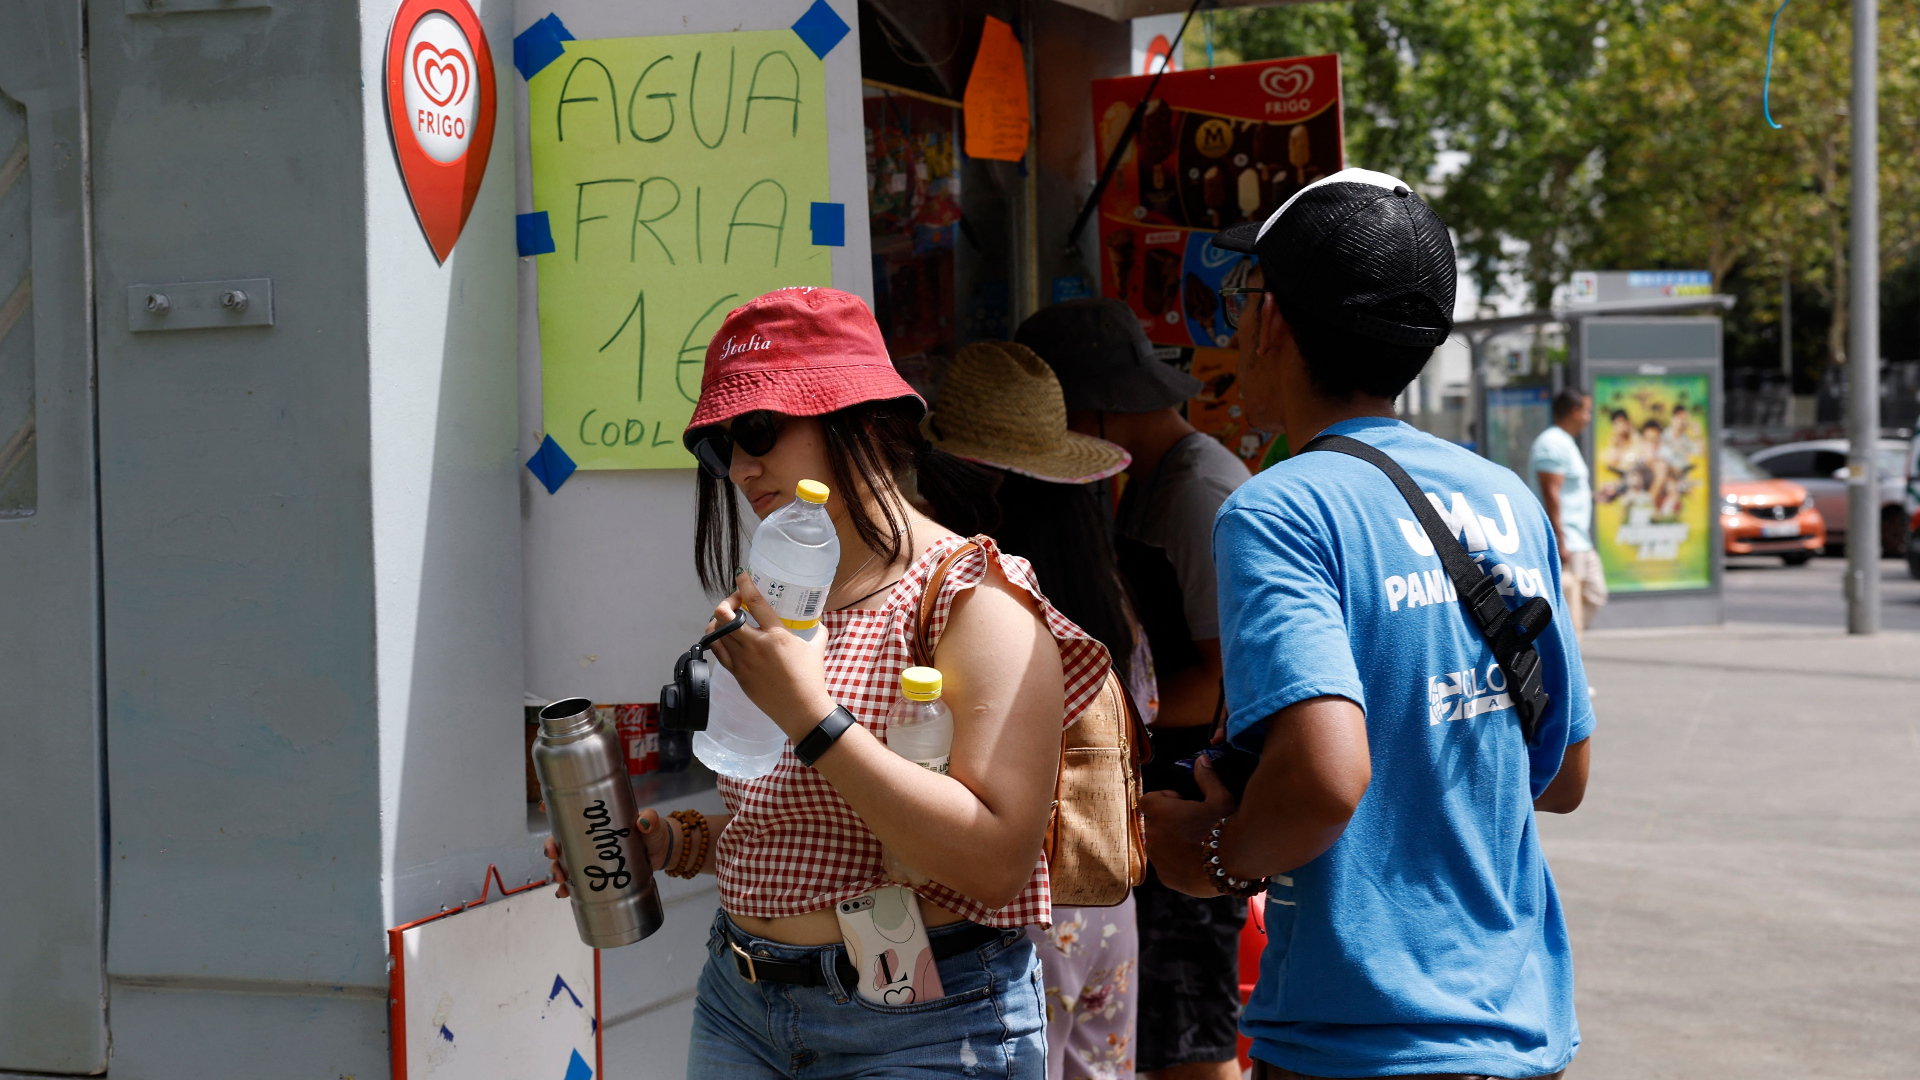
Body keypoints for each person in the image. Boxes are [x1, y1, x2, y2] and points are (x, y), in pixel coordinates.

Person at [545, 287, 1113, 1080]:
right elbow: (812, 829)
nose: (741, 466)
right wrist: (672, 843)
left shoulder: (972, 598)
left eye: (757, 430)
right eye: (719, 446)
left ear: (860, 418)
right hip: (741, 1005)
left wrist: (811, 716)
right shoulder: (781, 598)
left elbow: (994, 864)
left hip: (923, 1028)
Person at [1146, 169, 1595, 1080]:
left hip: (1358, 1041)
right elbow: (1563, 773)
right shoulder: (1504, 497)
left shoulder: (1279, 511)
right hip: (1520, 1027)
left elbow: (1324, 779)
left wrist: (1210, 855)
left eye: (1246, 295)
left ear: (1273, 323)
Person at [1017, 297, 1251, 1080]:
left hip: (1191, 794)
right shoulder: (1153, 481)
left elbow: (1220, 682)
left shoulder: (1195, 492)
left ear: (1095, 409)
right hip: (1150, 795)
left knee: (1193, 1044)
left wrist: (1103, 718)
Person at [918, 339, 1146, 1080]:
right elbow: (1146, 704)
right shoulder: (1103, 592)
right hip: (1104, 897)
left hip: (1014, 912)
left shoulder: (972, 608)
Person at [1528, 390, 1607, 633]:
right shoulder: (1552, 443)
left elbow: (1565, 493)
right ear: (1575, 412)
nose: (1589, 417)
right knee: (1570, 607)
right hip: (1567, 540)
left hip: (1579, 539)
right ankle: (1567, 649)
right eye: (1587, 411)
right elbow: (1550, 494)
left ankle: (1568, 641)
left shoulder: (1564, 441)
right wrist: (1560, 541)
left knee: (1595, 594)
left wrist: (1594, 497)